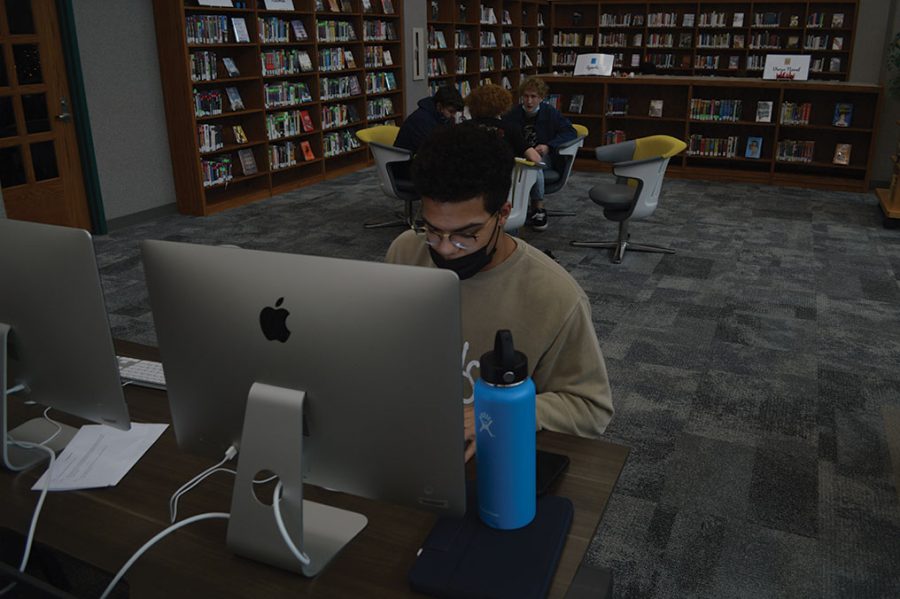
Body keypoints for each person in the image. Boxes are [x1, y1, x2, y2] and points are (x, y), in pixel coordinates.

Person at [385, 125, 613, 461]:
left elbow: (591, 410)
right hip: (409, 438)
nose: (446, 249)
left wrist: (506, 416)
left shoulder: (555, 295)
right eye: (433, 230)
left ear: (503, 214)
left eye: (466, 234)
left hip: (493, 457)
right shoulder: (406, 252)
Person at [501, 77, 577, 231]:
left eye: (533, 97)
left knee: (535, 165)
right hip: (519, 155)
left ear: (541, 98)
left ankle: (538, 207)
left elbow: (571, 132)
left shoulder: (550, 112)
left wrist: (549, 146)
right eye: (526, 96)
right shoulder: (512, 114)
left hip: (543, 156)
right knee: (528, 163)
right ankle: (526, 209)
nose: (529, 101)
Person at [463, 84, 542, 164]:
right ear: (502, 105)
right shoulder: (510, 128)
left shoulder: (463, 127)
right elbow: (535, 158)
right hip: (501, 173)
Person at [394, 85, 464, 154]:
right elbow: (431, 150)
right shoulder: (421, 120)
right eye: (451, 111)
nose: (453, 115)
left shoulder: (443, 117)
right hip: (406, 161)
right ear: (439, 106)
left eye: (455, 112)